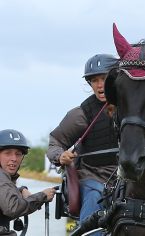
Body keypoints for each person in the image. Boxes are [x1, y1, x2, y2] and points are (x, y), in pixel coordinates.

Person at [47, 54, 120, 226]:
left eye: (104, 78)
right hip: (92, 176)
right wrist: (60, 156)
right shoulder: (80, 115)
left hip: (128, 178)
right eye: (94, 80)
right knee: (97, 195)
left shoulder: (133, 109)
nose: (100, 85)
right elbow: (54, 142)